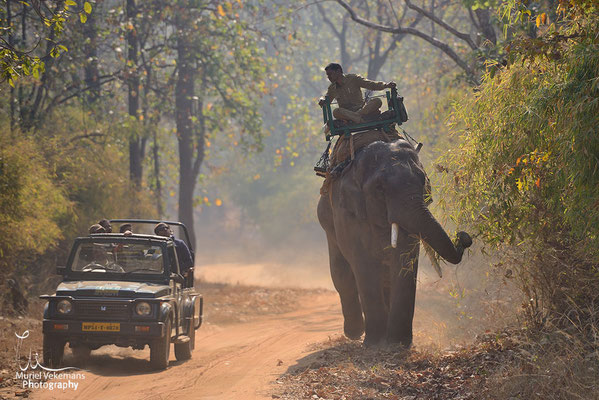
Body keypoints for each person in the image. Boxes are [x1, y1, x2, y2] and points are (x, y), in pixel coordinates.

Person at [318, 63, 396, 124]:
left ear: (338, 71)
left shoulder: (353, 78)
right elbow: (326, 99)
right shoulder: (332, 88)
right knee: (336, 112)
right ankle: (360, 118)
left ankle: (357, 117)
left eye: (330, 74)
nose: (329, 77)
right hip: (347, 114)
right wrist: (322, 100)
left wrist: (386, 85)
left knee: (377, 101)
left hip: (361, 110)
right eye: (327, 75)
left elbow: (370, 84)